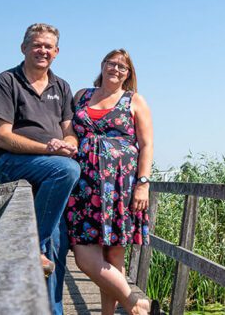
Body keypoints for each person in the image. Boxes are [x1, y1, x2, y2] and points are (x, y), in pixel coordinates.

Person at [0, 23, 80, 315]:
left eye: (48, 46)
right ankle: (32, 247)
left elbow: (69, 132)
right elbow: (2, 137)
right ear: (24, 47)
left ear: (57, 52)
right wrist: (49, 150)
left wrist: (68, 145)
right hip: (9, 161)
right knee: (68, 170)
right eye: (37, 45)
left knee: (58, 244)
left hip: (49, 167)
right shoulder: (6, 81)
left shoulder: (61, 86)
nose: (43, 50)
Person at [66, 49, 153, 315]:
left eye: (122, 67)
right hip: (84, 186)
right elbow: (68, 130)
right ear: (102, 65)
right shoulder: (82, 96)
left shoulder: (134, 100)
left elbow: (147, 144)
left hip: (119, 186)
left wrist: (143, 184)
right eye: (111, 63)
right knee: (84, 256)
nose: (115, 69)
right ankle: (135, 303)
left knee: (114, 254)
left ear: (128, 74)